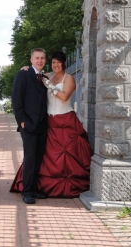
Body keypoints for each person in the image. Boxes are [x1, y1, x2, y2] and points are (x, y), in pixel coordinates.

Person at [10, 51, 92, 198]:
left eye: (59, 62)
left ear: (64, 63)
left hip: (65, 121)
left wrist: (50, 86)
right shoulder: (46, 76)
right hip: (48, 122)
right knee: (34, 156)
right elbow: (21, 93)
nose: (56, 65)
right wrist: (26, 68)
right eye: (53, 62)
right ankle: (28, 191)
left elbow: (64, 96)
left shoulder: (69, 79)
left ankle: (34, 188)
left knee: (42, 156)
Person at [11, 48, 48, 204]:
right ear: (31, 60)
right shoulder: (23, 74)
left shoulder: (45, 78)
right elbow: (16, 100)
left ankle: (33, 189)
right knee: (30, 157)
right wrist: (22, 121)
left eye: (42, 58)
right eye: (37, 58)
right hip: (28, 125)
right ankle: (26, 192)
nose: (40, 60)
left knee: (38, 158)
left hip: (42, 125)